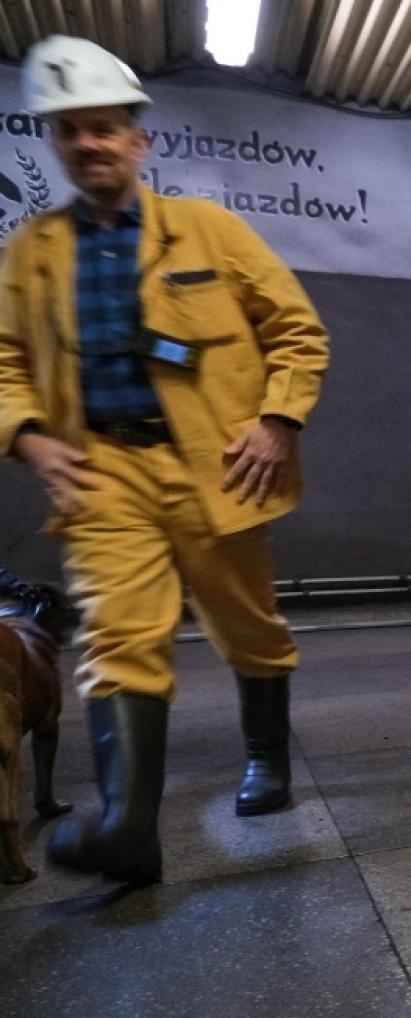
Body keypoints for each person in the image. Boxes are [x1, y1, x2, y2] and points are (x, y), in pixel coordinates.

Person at [0, 37, 331, 883]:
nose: (89, 144)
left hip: (217, 467)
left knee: (247, 625)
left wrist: (277, 421)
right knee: (118, 638)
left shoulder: (209, 231)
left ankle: (269, 758)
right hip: (100, 473)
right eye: (70, 132)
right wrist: (30, 436)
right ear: (55, 144)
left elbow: (297, 331)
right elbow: (4, 362)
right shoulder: (32, 255)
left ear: (138, 139)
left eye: (104, 128)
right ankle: (129, 830)